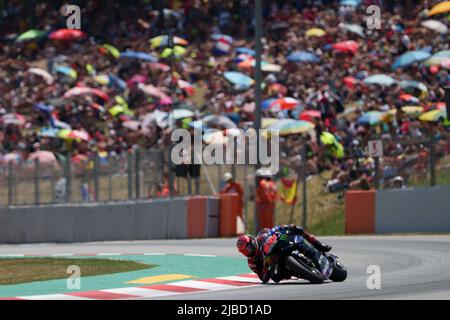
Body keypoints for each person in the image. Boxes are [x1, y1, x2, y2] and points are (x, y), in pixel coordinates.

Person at [236, 224, 332, 283]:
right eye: (244, 252)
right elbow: (263, 278)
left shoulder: (262, 236)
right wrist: (266, 265)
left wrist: (287, 227)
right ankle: (304, 272)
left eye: (248, 248)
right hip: (278, 267)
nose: (248, 252)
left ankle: (318, 245)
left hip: (282, 246)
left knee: (297, 232)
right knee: (276, 277)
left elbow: (275, 229)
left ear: (252, 241)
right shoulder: (252, 262)